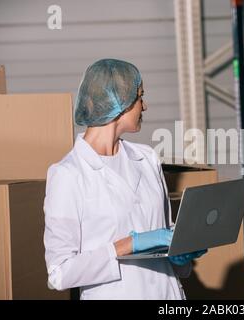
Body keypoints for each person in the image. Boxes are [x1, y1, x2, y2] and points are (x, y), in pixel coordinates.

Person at [43, 58, 206, 300]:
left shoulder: (147, 158)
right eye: (140, 96)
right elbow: (60, 272)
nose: (145, 105)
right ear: (119, 100)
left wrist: (179, 251)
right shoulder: (67, 174)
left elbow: (163, 231)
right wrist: (128, 244)